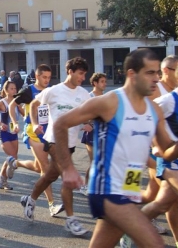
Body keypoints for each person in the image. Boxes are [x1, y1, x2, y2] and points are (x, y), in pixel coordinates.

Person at [52, 48, 178, 247]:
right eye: (150, 73)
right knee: (154, 243)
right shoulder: (110, 102)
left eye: (158, 73)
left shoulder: (155, 110)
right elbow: (60, 124)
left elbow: (167, 151)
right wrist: (68, 168)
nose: (157, 79)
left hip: (129, 189)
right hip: (106, 191)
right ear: (132, 74)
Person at [23, 57, 91, 236]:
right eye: (80, 73)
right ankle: (71, 220)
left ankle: (30, 199)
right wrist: (35, 122)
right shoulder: (53, 91)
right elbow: (34, 105)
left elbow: (87, 115)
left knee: (49, 176)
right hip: (53, 141)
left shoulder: (84, 94)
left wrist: (87, 123)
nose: (83, 77)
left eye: (84, 74)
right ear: (70, 71)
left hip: (70, 144)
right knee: (68, 176)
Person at [140, 58, 178, 248]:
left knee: (161, 204)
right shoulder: (170, 100)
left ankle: (128, 227)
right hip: (173, 162)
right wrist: (155, 144)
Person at [8, 64, 62, 217]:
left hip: (47, 133)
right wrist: (14, 123)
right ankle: (52, 205)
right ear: (37, 76)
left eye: (49, 78)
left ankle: (15, 163)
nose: (46, 80)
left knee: (39, 168)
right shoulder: (28, 91)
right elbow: (12, 105)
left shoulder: (50, 91)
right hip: (32, 132)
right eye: (44, 77)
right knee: (46, 167)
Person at [0, 81, 24, 190]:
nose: (14, 90)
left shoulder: (16, 103)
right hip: (4, 133)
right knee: (12, 158)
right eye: (12, 88)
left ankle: (2, 179)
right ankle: (2, 178)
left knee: (13, 158)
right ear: (6, 90)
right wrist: (0, 124)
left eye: (15, 88)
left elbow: (25, 114)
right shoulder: (1, 103)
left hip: (13, 133)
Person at [78, 72, 107, 196]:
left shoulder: (106, 97)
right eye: (102, 81)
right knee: (94, 161)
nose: (104, 84)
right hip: (91, 134)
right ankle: (85, 185)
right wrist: (88, 123)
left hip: (103, 133)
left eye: (105, 81)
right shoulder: (88, 97)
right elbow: (81, 115)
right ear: (95, 83)